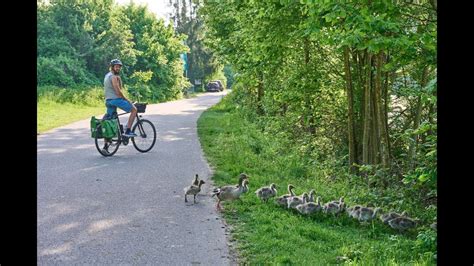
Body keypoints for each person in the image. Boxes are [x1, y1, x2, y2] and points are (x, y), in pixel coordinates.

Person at [104, 59, 137, 137]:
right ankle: (128, 130)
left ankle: (106, 145)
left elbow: (117, 87)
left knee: (109, 121)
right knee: (134, 110)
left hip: (108, 101)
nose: (118, 68)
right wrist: (126, 99)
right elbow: (118, 91)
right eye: (116, 67)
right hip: (115, 100)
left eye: (119, 67)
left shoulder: (107, 75)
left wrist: (119, 79)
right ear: (112, 67)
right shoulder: (113, 77)